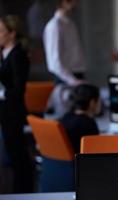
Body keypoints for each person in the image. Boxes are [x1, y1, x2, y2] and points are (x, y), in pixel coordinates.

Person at [0, 15, 35, 193]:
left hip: (13, 113)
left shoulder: (18, 55)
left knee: (18, 157)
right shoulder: (5, 53)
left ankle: (24, 193)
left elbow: (18, 89)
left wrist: (1, 93)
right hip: (6, 112)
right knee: (13, 155)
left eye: (1, 31)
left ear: (12, 34)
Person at [43, 0, 85, 85]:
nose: (76, 3)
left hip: (77, 74)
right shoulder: (54, 26)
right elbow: (54, 63)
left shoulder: (71, 24)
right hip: (65, 78)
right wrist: (72, 81)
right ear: (64, 2)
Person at [59, 84, 100, 153]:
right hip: (83, 162)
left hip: (66, 161)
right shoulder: (88, 124)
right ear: (92, 103)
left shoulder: (66, 117)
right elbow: (96, 150)